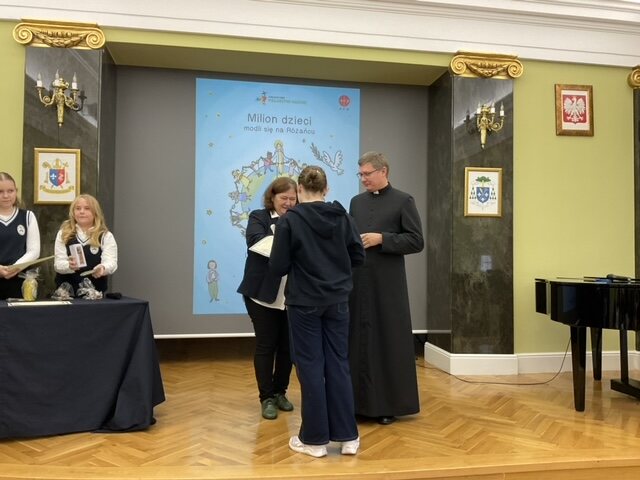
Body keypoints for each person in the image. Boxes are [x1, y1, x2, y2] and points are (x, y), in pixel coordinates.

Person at [270, 166, 365, 457]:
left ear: (299, 190)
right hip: (338, 301)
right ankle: (348, 438)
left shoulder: (289, 221)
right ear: (326, 189)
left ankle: (314, 441)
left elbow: (278, 266)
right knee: (338, 363)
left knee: (311, 367)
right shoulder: (343, 217)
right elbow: (358, 256)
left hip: (303, 303)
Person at [348, 151, 424, 425]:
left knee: (387, 341)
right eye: (361, 174)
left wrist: (383, 239)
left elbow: (416, 241)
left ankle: (386, 406)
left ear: (384, 171)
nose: (363, 179)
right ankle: (355, 403)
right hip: (358, 283)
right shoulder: (356, 202)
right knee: (357, 340)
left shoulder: (404, 200)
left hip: (388, 286)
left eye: (367, 173)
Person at [237, 177, 297, 420]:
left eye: (293, 198)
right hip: (261, 295)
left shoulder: (299, 218)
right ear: (272, 197)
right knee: (266, 345)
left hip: (292, 296)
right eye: (284, 198)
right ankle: (266, 398)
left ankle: (280, 392)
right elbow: (256, 242)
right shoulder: (258, 217)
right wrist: (290, 240)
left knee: (288, 348)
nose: (289, 203)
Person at [54, 194, 117, 294]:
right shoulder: (63, 233)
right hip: (66, 295)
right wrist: (68, 266)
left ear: (95, 212)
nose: (82, 211)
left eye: (87, 208)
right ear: (73, 212)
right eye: (78, 208)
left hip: (95, 295)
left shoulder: (105, 236)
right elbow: (58, 264)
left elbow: (111, 262)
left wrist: (103, 268)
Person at [0, 172, 41, 300]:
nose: (6, 195)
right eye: (0, 191)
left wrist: (15, 267)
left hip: (20, 281)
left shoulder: (28, 216)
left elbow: (34, 251)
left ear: (16, 191)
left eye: (10, 191)